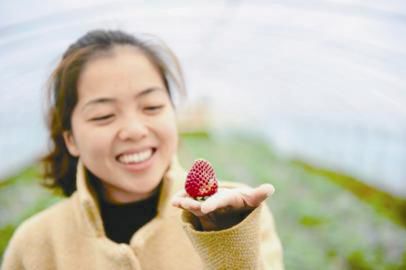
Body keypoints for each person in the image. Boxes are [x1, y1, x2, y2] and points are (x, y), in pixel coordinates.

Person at [1, 29, 284, 270]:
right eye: (103, 115)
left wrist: (229, 244)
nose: (135, 129)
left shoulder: (240, 217)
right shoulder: (35, 244)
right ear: (71, 139)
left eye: (152, 107)